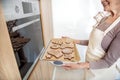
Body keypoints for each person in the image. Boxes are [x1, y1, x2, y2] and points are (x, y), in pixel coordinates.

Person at [62, 0, 120, 80]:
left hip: (102, 73)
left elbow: (108, 62)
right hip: (89, 66)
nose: (102, 1)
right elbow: (95, 43)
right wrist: (74, 41)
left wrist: (81, 65)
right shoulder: (104, 18)